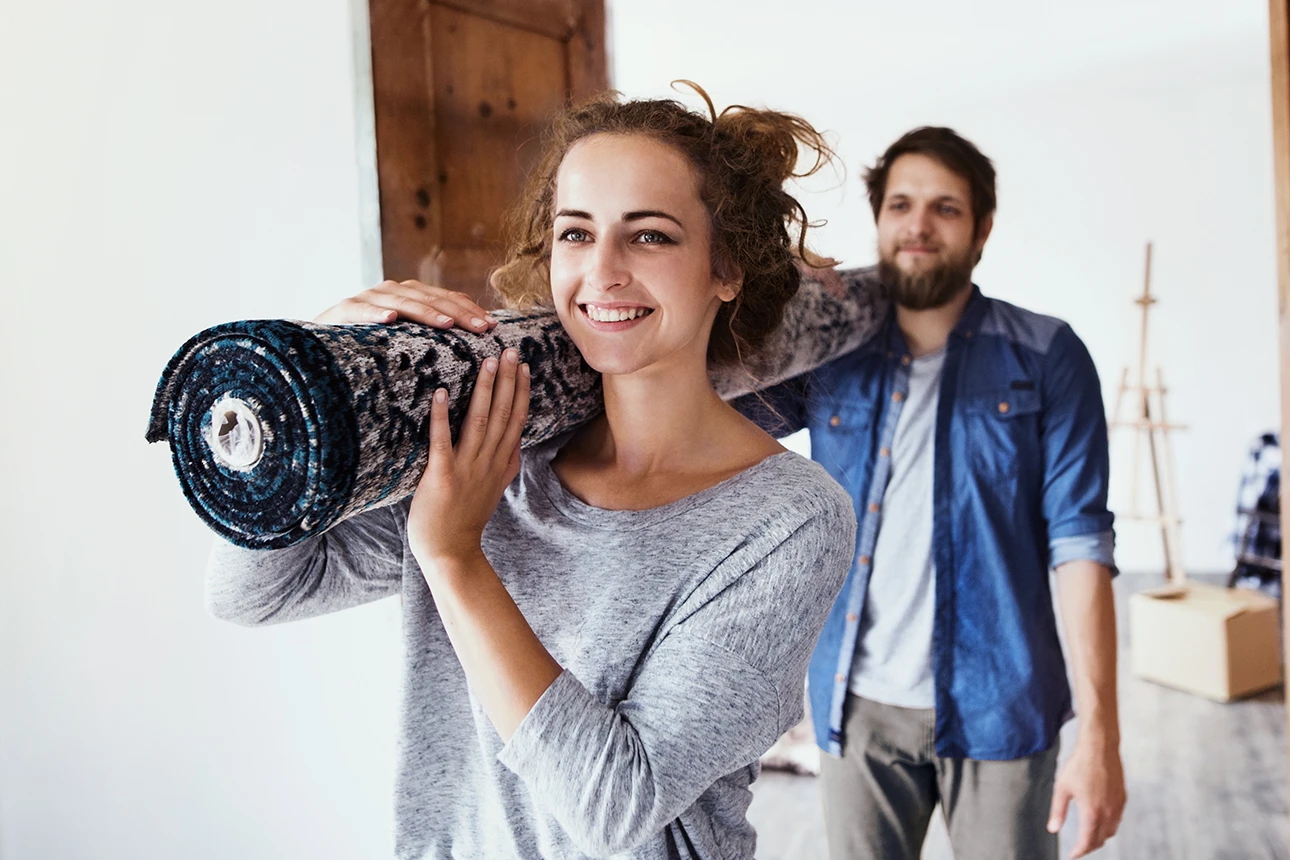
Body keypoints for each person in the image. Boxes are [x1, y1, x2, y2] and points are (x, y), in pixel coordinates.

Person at [205, 86, 858, 859]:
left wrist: (454, 558)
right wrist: (309, 381)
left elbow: (618, 804)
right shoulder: (498, 454)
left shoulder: (789, 518)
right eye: (575, 234)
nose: (602, 271)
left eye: (649, 237)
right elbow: (252, 591)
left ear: (727, 269)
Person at [735, 127, 1126, 860]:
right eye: (901, 205)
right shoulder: (830, 353)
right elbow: (704, 403)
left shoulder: (1047, 355)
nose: (918, 224)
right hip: (856, 704)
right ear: (880, 221)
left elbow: (1081, 543)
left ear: (981, 230)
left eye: (945, 208)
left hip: (1002, 704)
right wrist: (778, 288)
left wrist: (1100, 736)